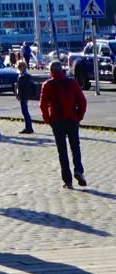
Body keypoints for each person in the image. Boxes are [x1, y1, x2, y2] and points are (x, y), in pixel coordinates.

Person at [39, 61, 87, 189]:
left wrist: (47, 119)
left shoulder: (48, 85)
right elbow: (82, 101)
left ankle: (68, 180)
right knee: (75, 146)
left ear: (51, 72)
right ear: (62, 70)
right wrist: (79, 116)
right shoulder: (71, 83)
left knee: (62, 150)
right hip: (72, 118)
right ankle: (78, 170)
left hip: (56, 119)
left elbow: (43, 105)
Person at [16, 59, 38, 135]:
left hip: (23, 97)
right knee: (25, 112)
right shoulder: (24, 75)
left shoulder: (24, 76)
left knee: (25, 112)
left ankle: (28, 128)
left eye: (19, 67)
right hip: (23, 96)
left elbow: (26, 88)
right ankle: (28, 127)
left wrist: (25, 97)